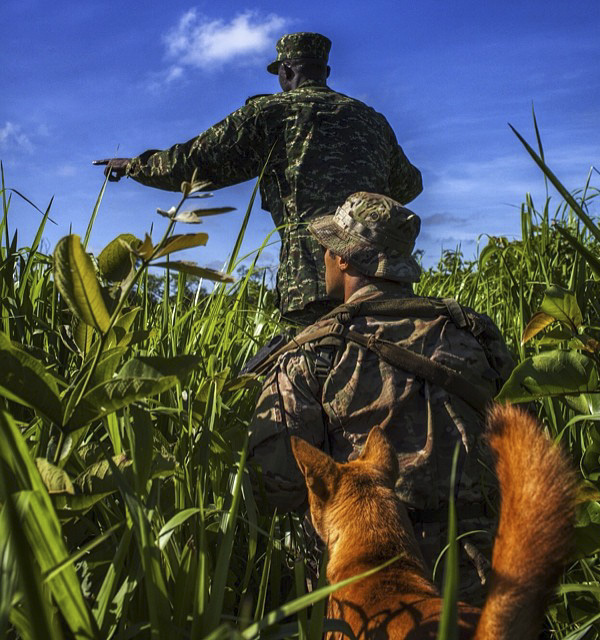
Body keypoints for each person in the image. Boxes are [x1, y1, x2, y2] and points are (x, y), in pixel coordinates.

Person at [247, 191, 514, 601]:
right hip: (488, 575)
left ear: (344, 258)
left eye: (328, 248)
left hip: (372, 587)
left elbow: (275, 485)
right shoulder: (475, 330)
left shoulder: (315, 349)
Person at [94, 32, 422, 324]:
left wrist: (135, 165)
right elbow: (409, 184)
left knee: (317, 379)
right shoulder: (373, 121)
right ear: (326, 73)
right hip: (382, 279)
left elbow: (195, 162)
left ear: (286, 71)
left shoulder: (270, 113)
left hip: (312, 280)